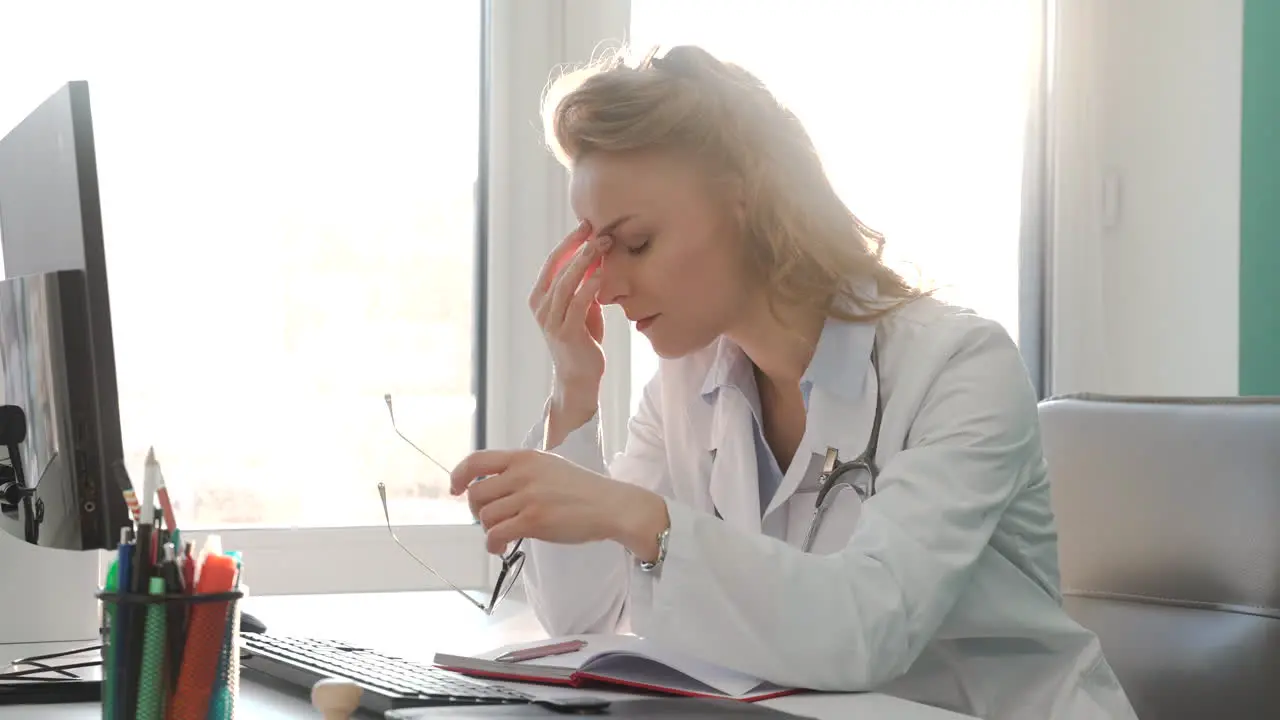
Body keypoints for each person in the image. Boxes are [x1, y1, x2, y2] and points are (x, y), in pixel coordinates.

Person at [449, 45, 1137, 720]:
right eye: (596, 249)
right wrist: (575, 388)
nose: (609, 287)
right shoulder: (685, 386)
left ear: (746, 200)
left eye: (636, 244)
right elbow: (583, 615)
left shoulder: (960, 367)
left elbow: (864, 630)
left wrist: (642, 520)